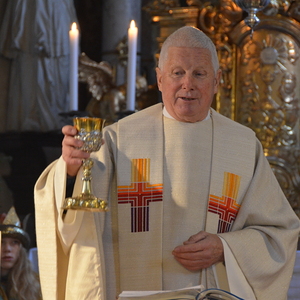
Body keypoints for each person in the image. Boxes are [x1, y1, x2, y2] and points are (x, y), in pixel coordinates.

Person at [34, 26, 300, 300]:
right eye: (177, 73)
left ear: (217, 80)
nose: (188, 84)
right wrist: (70, 168)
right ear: (160, 79)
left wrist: (225, 247)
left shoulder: (243, 146)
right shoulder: (116, 140)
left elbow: (279, 233)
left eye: (199, 73)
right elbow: (77, 212)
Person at [0, 207, 42, 300]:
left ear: (21, 250)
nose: (7, 249)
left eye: (14, 242)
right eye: (1, 242)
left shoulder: (36, 283)